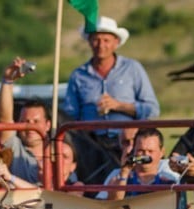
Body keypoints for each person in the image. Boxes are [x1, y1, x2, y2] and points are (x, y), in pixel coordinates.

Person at [62, 16, 160, 159]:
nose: (101, 45)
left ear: (116, 43)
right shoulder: (78, 75)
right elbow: (70, 115)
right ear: (89, 42)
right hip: (91, 144)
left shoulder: (132, 69)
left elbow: (152, 110)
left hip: (128, 142)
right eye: (96, 39)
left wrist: (119, 106)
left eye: (106, 40)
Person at [0, 59, 53, 187]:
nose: (31, 127)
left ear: (48, 125)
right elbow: (4, 120)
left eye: (36, 122)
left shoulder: (61, 153)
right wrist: (7, 80)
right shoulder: (14, 148)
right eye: (25, 122)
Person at [100, 128, 178, 201]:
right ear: (133, 151)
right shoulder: (117, 176)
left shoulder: (171, 179)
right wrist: (124, 172)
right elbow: (112, 207)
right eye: (140, 151)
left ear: (162, 152)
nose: (145, 155)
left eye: (150, 151)